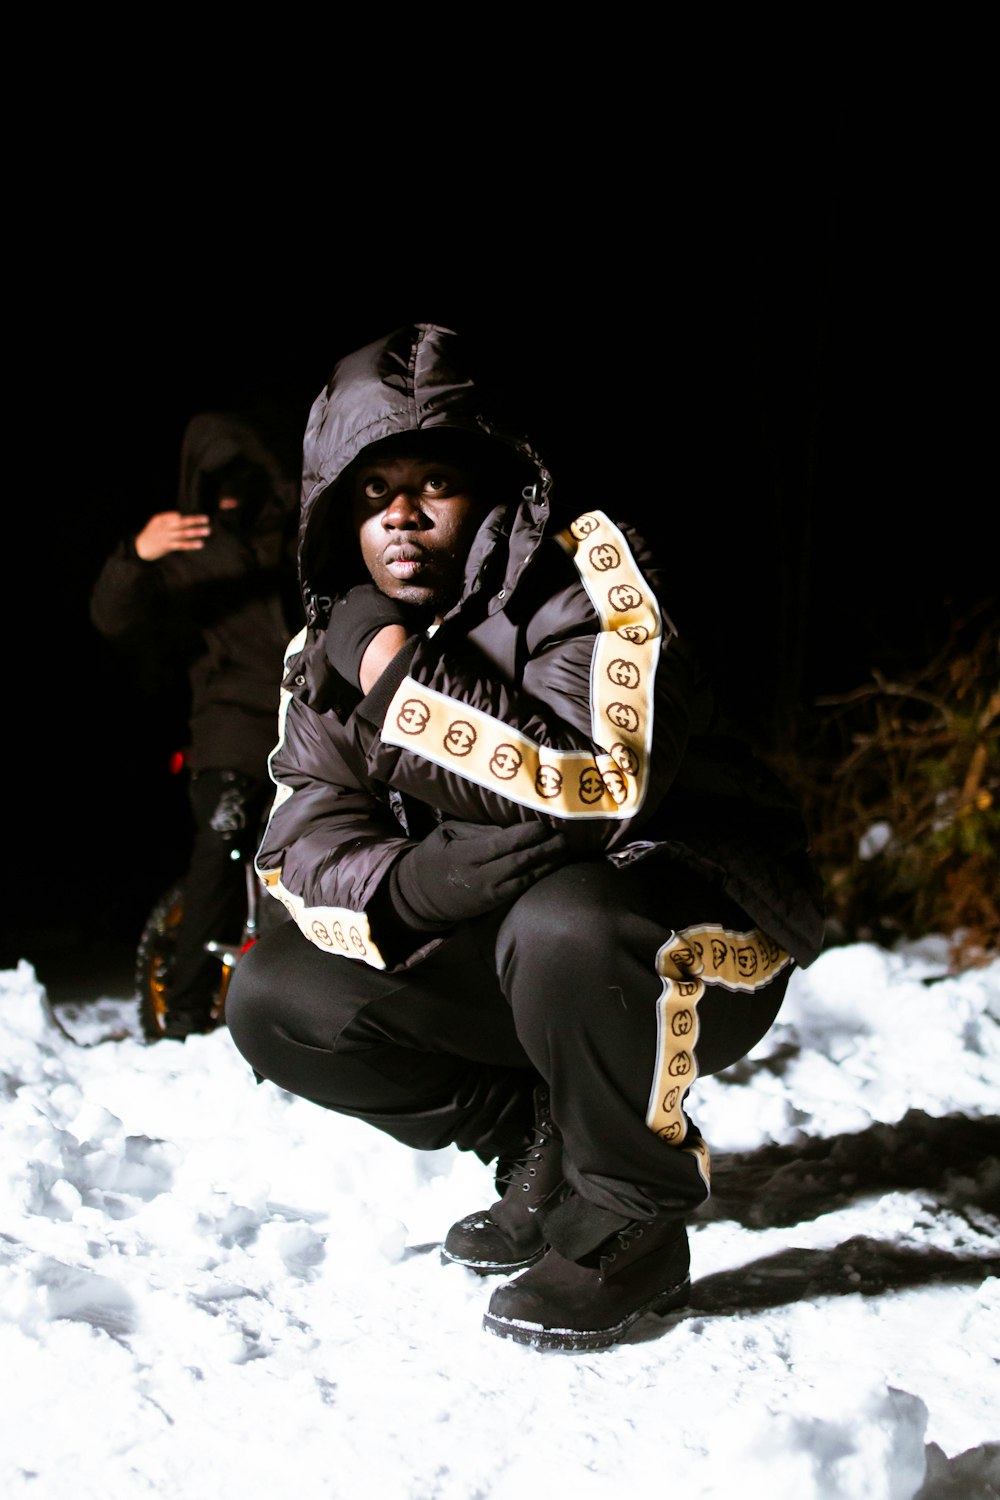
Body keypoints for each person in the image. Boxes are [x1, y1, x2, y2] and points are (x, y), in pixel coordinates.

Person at [224, 323, 826, 1351]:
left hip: (686, 942)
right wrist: (409, 888)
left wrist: (392, 671)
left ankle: (629, 1224)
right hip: (514, 957)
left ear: (495, 485)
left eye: (433, 484)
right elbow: (295, 846)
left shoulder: (597, 574)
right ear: (337, 513)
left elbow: (594, 785)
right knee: (278, 995)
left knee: (566, 917)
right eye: (372, 494)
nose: (401, 518)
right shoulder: (323, 646)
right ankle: (542, 1145)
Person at [90, 410, 301, 1040]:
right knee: (223, 839)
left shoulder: (298, 537)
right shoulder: (187, 554)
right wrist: (137, 554)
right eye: (217, 483)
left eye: (244, 478)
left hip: (314, 720)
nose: (232, 494)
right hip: (231, 727)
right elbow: (112, 616)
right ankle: (184, 1014)